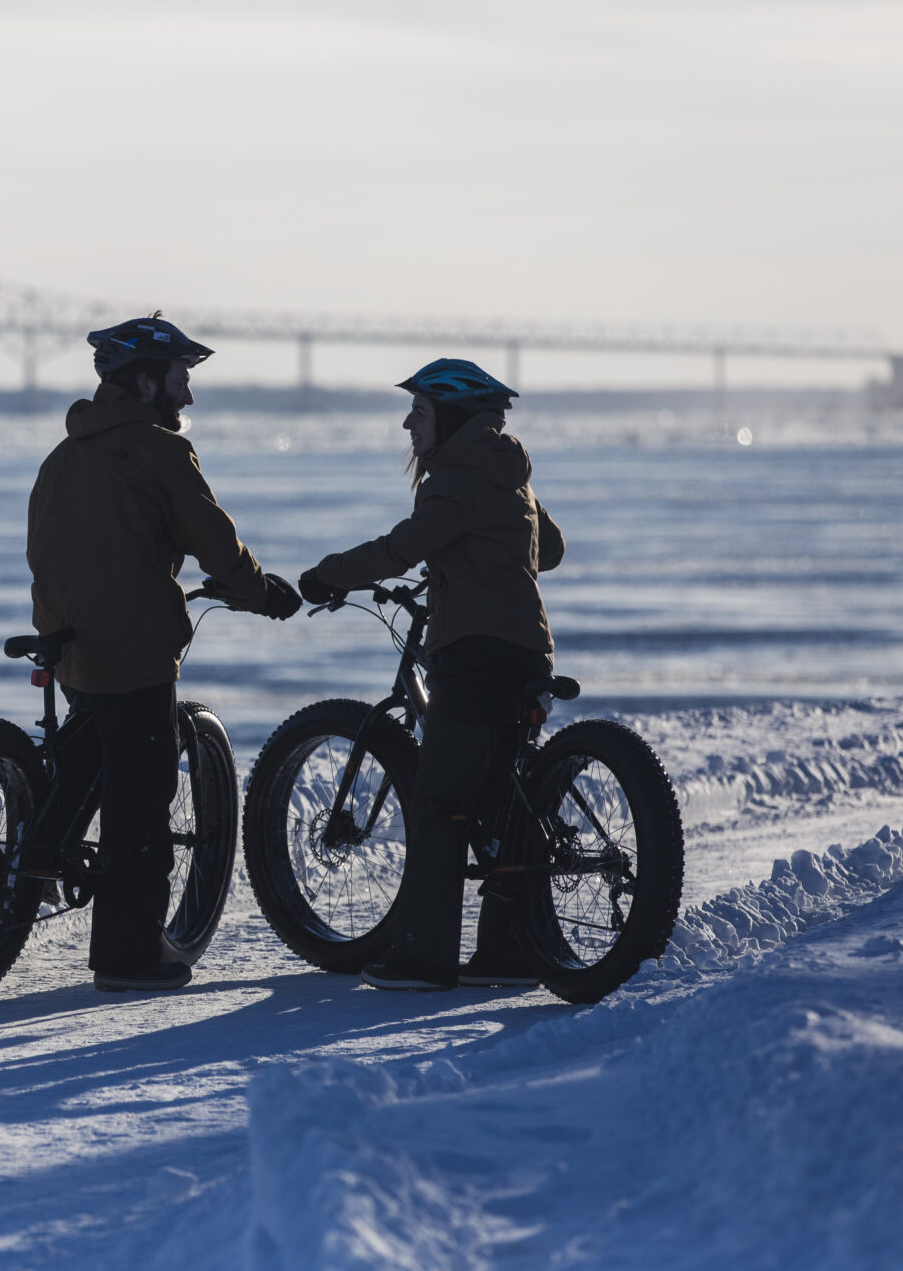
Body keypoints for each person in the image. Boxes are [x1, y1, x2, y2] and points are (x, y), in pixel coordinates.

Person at [27, 314, 301, 993]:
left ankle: (29, 864)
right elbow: (215, 543)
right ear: (145, 381)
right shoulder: (160, 453)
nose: (188, 396)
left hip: (72, 649)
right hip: (135, 655)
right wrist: (261, 592)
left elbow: (42, 553)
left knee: (87, 762)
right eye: (181, 379)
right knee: (141, 804)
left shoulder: (61, 459)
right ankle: (128, 958)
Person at [297, 357, 565, 991]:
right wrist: (479, 558)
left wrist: (328, 573)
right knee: (499, 803)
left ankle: (421, 958)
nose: (408, 423)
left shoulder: (453, 476)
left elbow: (403, 546)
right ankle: (507, 954)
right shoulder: (508, 472)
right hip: (527, 649)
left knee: (439, 801)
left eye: (418, 412)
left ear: (450, 416)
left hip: (470, 652)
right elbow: (546, 551)